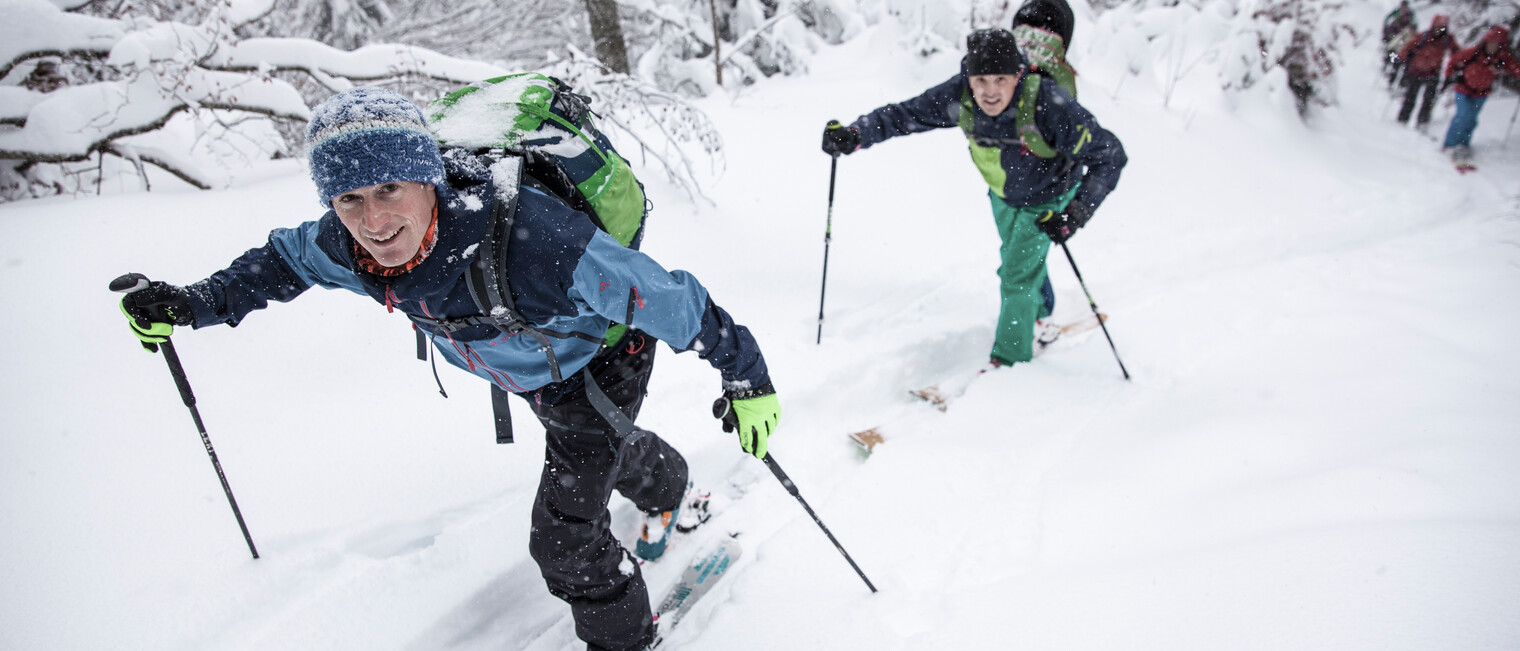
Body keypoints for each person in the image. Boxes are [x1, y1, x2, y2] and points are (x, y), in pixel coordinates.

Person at [115, 87, 781, 651]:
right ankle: (673, 490)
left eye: (388, 188)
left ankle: (627, 639)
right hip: (525, 366)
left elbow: (668, 298)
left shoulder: (534, 244)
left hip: (601, 358)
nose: (374, 220)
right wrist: (193, 303)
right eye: (348, 199)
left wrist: (746, 375)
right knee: (593, 446)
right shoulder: (348, 246)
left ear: (427, 177)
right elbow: (280, 262)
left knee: (564, 537)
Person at [820, 28, 1126, 368]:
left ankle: (1009, 362)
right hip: (1002, 195)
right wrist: (855, 134)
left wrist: (1074, 213)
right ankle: (1041, 320)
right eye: (981, 80)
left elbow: (1110, 154)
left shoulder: (1049, 105)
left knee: (1016, 276)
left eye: (1000, 79)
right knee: (1018, 260)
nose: (990, 91)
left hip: (1048, 198)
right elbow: (905, 115)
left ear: (1018, 75)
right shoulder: (961, 94)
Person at [1441, 25, 1520, 162]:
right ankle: (1450, 144)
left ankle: (1463, 144)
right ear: (1485, 42)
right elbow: (1454, 61)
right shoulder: (1472, 52)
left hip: (1482, 94)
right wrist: (1448, 77)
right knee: (1462, 116)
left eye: (1496, 45)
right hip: (1463, 89)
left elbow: (1515, 69)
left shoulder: (1501, 58)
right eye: (1491, 43)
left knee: (1472, 119)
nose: (1492, 47)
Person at [1395, 15, 1458, 131]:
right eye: (1438, 27)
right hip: (1416, 71)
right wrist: (1403, 57)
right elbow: (1407, 48)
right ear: (1433, 26)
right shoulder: (1423, 36)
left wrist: (1457, 67)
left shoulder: (1447, 40)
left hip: (1433, 73)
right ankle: (1402, 119)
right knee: (1410, 97)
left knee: (1429, 99)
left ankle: (1422, 122)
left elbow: (1457, 54)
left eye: (1442, 27)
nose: (1440, 30)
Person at [1383, 1, 1419, 85]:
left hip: (1403, 54)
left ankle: (1396, 83)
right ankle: (1387, 72)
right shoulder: (1397, 20)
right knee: (1391, 61)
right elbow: (1388, 20)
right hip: (1396, 47)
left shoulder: (1413, 34)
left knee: (1400, 68)